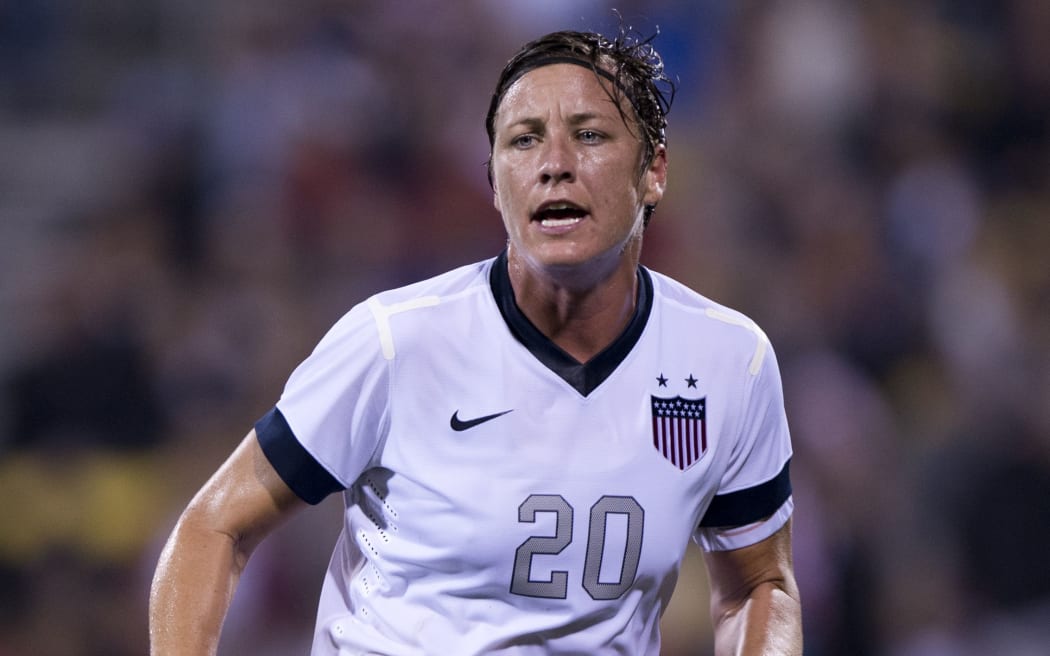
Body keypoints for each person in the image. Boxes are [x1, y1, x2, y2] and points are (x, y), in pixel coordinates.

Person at [149, 27, 802, 655]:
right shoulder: (397, 341)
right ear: (494, 184)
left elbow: (756, 585)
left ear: (654, 171)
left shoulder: (726, 363)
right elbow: (214, 526)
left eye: (590, 135)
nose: (554, 165)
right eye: (523, 141)